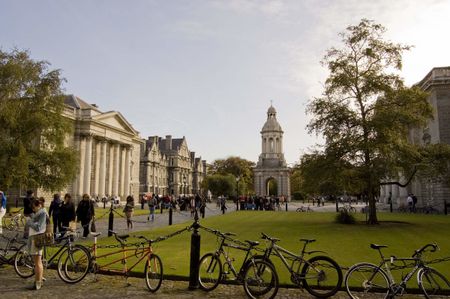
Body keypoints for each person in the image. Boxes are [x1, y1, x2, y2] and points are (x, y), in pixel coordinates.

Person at [27, 197, 48, 290]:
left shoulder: (42, 213)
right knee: (38, 262)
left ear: (39, 206)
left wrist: (29, 222)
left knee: (38, 262)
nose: (33, 209)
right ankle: (39, 280)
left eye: (34, 207)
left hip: (37, 239)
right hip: (35, 238)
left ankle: (38, 283)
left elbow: (38, 227)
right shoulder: (41, 213)